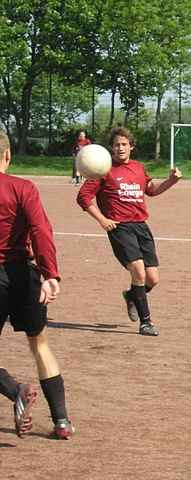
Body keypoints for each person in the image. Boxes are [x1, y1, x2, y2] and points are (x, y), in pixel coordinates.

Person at [0, 130, 74, 439]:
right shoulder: (23, 188)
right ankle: (61, 421)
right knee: (40, 344)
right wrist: (50, 274)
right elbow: (40, 228)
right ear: (8, 156)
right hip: (25, 276)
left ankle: (17, 390)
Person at [76, 127, 182, 336]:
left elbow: (151, 190)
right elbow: (83, 198)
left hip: (141, 226)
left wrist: (172, 181)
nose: (120, 148)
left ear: (131, 146)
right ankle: (146, 322)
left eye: (124, 144)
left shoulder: (139, 168)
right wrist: (102, 219)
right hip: (119, 227)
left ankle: (132, 295)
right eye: (116, 144)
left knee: (152, 279)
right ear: (111, 148)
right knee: (138, 271)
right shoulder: (102, 169)